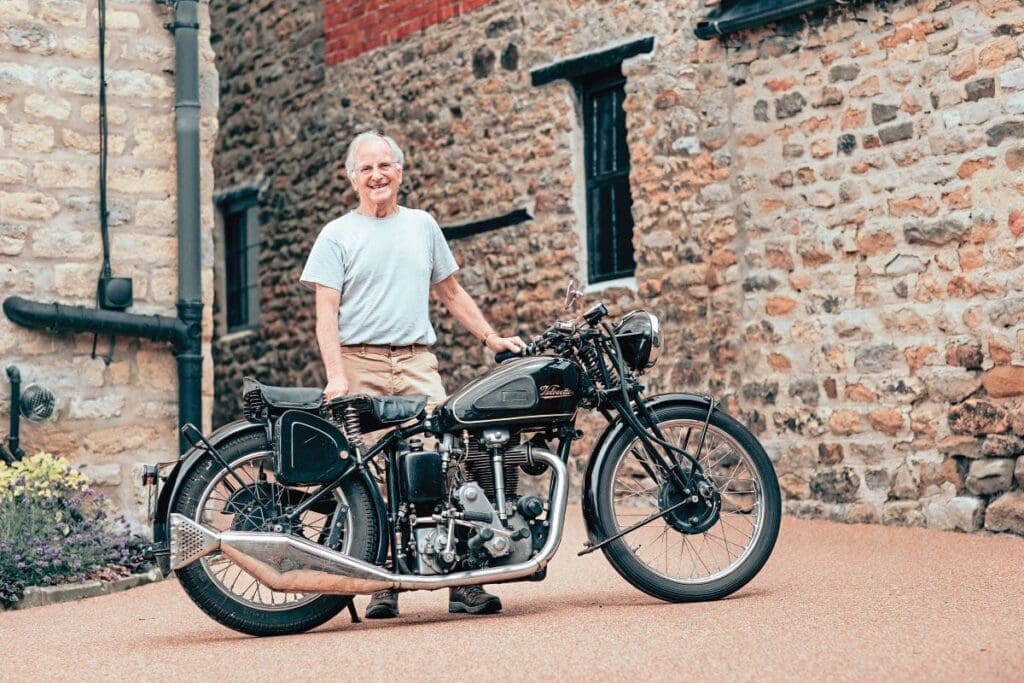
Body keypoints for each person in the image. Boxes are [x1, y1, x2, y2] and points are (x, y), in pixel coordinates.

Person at [300, 131, 525, 619]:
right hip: (360, 361)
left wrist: (491, 338)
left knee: (445, 462)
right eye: (367, 168)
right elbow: (326, 314)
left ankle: (461, 581)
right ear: (351, 177)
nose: (377, 175)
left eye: (386, 166)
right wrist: (336, 376)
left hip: (418, 361)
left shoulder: (422, 226)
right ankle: (384, 584)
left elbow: (450, 292)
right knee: (371, 474)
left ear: (400, 172)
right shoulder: (336, 234)